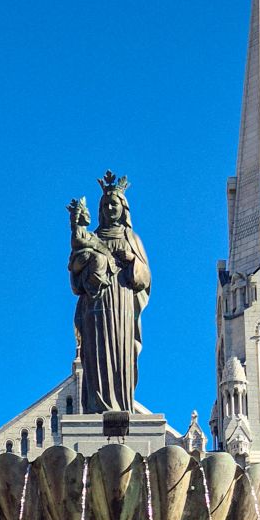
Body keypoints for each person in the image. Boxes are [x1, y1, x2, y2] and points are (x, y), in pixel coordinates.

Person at [68, 172, 151, 414]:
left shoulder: (132, 239)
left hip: (123, 304)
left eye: (114, 203)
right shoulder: (92, 238)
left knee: (121, 355)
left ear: (123, 208)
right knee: (95, 354)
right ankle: (97, 406)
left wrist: (131, 259)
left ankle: (121, 404)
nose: (109, 208)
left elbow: (145, 278)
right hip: (95, 305)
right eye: (105, 204)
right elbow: (75, 281)